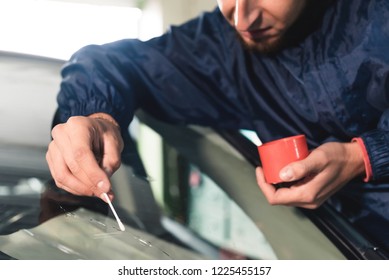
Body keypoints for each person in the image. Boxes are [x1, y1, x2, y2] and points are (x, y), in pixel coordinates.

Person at [46, 0, 389, 234]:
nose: (241, 19)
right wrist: (98, 115)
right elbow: (109, 64)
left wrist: (363, 156)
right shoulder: (223, 48)